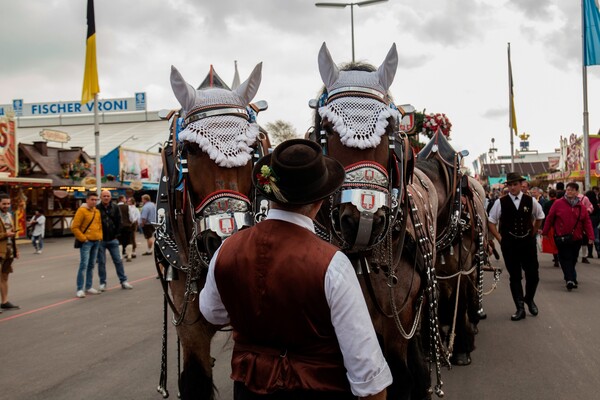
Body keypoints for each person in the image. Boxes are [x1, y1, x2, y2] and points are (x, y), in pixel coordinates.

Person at [200, 139, 391, 400]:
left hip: (248, 389)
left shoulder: (226, 250)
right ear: (321, 200)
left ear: (269, 194)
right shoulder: (331, 264)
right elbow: (369, 375)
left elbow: (213, 313)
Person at [488, 172, 545, 321]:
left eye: (515, 184)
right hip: (510, 243)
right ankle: (520, 308)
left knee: (533, 275)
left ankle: (529, 299)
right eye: (510, 185)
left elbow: (540, 217)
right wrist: (500, 238)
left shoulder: (530, 201)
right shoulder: (500, 202)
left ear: (521, 185)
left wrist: (533, 231)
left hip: (527, 242)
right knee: (515, 276)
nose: (512, 187)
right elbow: (491, 222)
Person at [543, 183, 595, 291]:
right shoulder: (558, 203)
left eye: (572, 190)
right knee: (565, 258)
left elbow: (587, 222)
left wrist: (591, 236)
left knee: (573, 258)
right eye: (568, 190)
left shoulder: (581, 206)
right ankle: (570, 279)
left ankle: (570, 276)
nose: (569, 192)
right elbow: (550, 218)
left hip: (576, 238)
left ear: (577, 192)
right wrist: (545, 231)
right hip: (561, 237)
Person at [96, 190, 133, 291]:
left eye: (108, 196)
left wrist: (116, 234)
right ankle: (102, 283)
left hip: (113, 239)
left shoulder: (115, 207)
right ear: (100, 197)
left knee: (118, 260)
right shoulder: (97, 208)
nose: (106, 198)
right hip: (101, 239)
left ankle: (123, 281)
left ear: (111, 197)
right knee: (101, 262)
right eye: (104, 196)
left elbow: (119, 221)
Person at [71, 191, 103, 298]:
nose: (94, 202)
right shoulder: (81, 211)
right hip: (86, 242)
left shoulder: (97, 211)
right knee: (83, 265)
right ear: (87, 200)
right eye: (92, 199)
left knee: (91, 265)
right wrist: (83, 239)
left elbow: (99, 225)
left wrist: (100, 236)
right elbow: (74, 227)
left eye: (96, 200)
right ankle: (80, 288)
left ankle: (88, 286)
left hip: (96, 241)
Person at [0, 193, 20, 312]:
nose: (6, 205)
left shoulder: (9, 215)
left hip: (8, 250)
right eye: (4, 203)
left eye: (8, 203)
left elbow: (12, 234)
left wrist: (16, 249)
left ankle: (5, 301)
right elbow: (7, 234)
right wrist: (5, 234)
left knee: (5, 276)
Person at [542, 189, 559, 267]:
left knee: (553, 243)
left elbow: (545, 216)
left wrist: (543, 227)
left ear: (549, 195)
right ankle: (559, 257)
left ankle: (556, 259)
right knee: (559, 242)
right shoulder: (559, 203)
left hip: (551, 226)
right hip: (559, 226)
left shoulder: (547, 204)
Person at [584, 190, 600, 260]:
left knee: (589, 238)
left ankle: (590, 253)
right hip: (595, 224)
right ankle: (599, 253)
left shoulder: (587, 204)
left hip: (588, 224)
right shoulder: (596, 205)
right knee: (596, 239)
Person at [117, 195, 133, 262]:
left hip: (118, 226)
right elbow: (131, 217)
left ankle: (120, 256)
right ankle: (129, 256)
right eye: (124, 198)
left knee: (119, 241)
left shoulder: (115, 207)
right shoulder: (127, 207)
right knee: (129, 241)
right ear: (122, 199)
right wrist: (130, 222)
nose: (125, 200)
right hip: (127, 226)